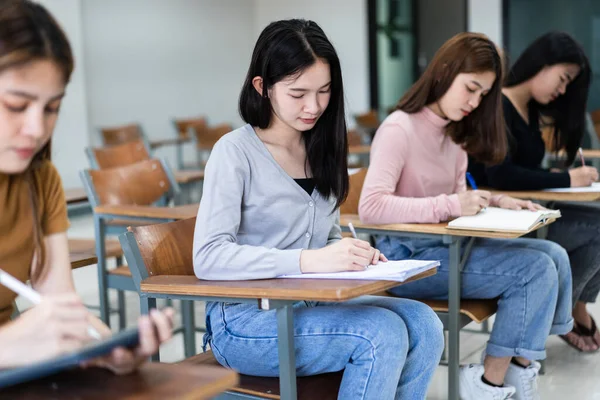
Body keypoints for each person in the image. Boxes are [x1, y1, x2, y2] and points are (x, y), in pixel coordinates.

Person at [193, 19, 444, 400]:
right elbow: (208, 258)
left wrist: (349, 253)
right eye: (298, 94)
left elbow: (324, 235)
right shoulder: (235, 152)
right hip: (246, 322)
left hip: (311, 306)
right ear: (263, 88)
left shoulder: (321, 149)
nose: (314, 106)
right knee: (380, 333)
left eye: (324, 91)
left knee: (424, 323)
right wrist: (309, 261)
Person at [359, 32, 573, 400]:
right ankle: (488, 383)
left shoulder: (454, 137)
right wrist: (451, 205)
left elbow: (457, 198)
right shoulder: (399, 128)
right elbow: (372, 207)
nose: (475, 102)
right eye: (471, 89)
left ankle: (518, 369)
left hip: (447, 248)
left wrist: (496, 201)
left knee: (553, 254)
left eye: (483, 95)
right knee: (533, 271)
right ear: (445, 71)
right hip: (408, 260)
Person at [0, 0, 174, 371]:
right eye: (16, 105)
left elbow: (63, 304)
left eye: (51, 108)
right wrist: (10, 344)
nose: (36, 129)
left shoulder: (38, 181)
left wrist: (105, 349)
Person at [468, 32, 600, 353]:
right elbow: (502, 174)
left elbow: (523, 173)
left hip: (525, 213)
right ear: (543, 64)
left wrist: (556, 177)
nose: (562, 89)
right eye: (563, 78)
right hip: (497, 223)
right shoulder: (497, 106)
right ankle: (568, 310)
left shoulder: (528, 110)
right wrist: (566, 179)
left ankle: (572, 306)